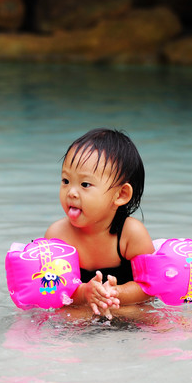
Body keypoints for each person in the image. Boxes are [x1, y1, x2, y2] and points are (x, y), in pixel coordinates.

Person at [45, 128, 155, 316]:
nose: (71, 192)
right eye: (65, 180)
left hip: (124, 308)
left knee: (146, 315)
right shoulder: (58, 235)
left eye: (85, 184)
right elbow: (52, 290)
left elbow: (150, 287)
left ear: (120, 195)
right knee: (61, 316)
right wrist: (84, 294)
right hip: (82, 311)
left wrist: (116, 292)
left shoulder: (130, 234)